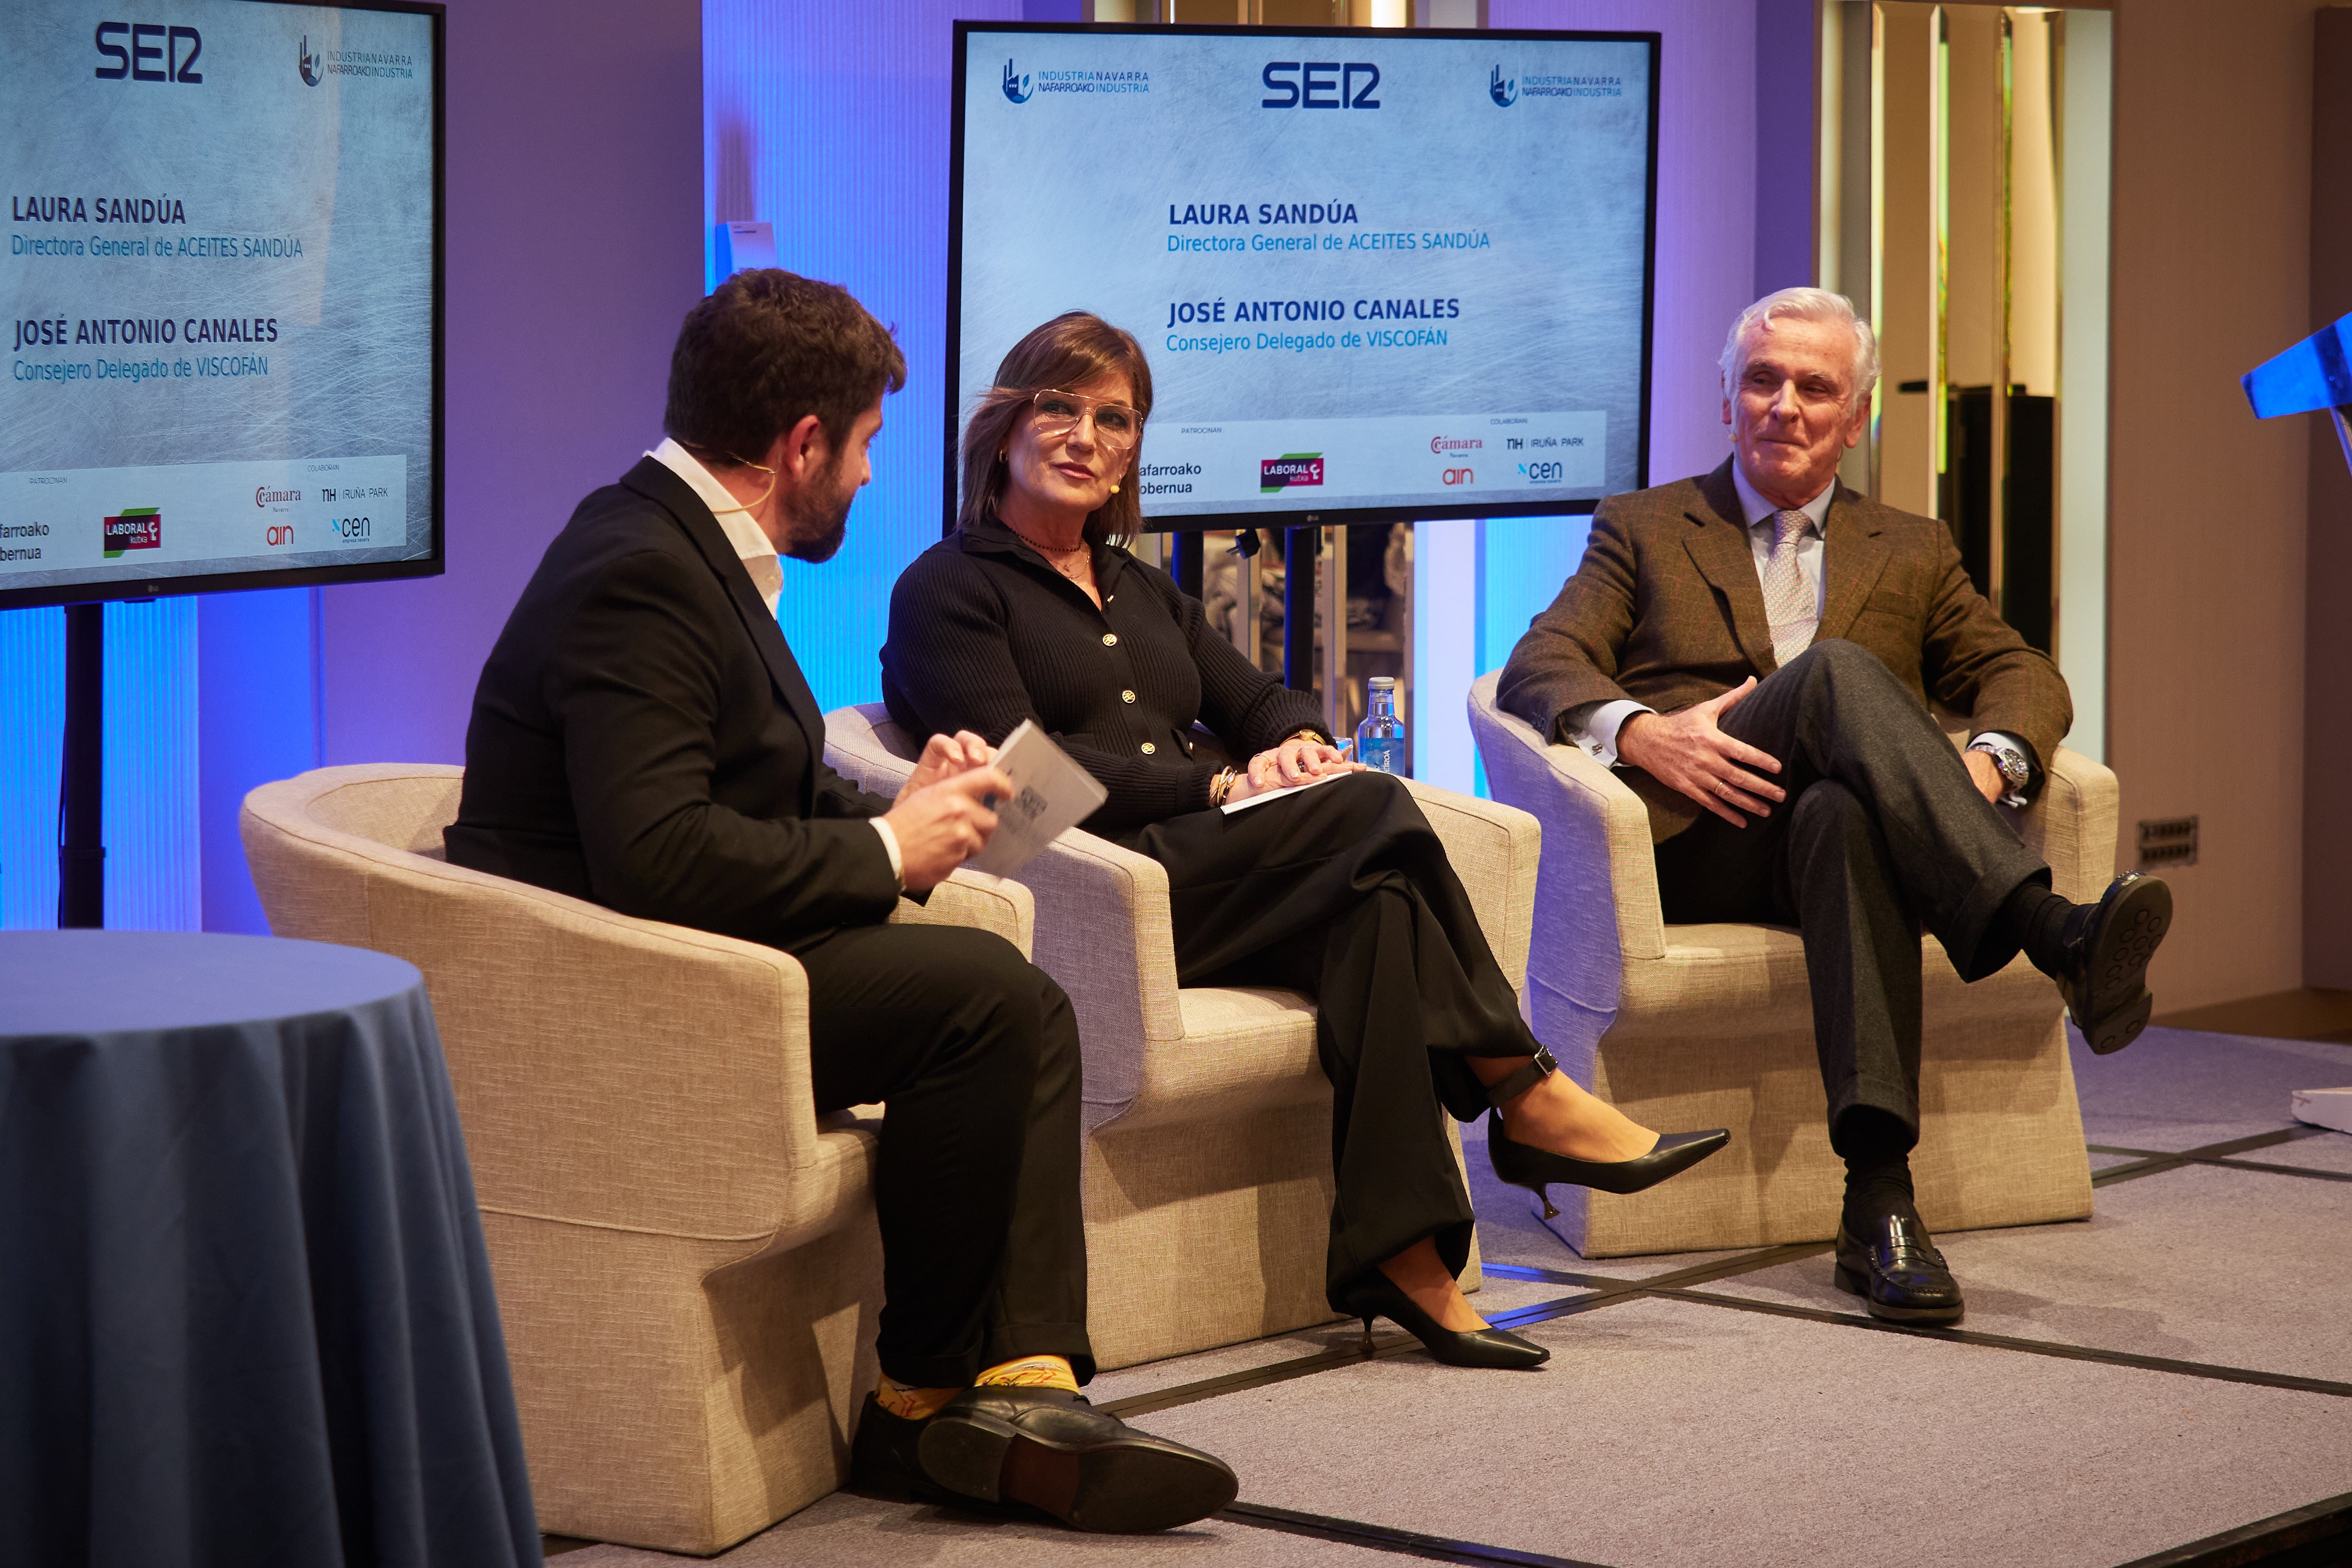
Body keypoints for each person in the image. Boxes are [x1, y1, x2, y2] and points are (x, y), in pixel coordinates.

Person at [443, 270, 1237, 1534]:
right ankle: (928, 1407)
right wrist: (885, 855)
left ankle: (1005, 1385)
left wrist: (889, 815)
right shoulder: (637, 567)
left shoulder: (681, 543)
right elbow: (657, 852)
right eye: (865, 442)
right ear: (801, 442)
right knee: (982, 1001)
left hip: (694, 953)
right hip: (616, 989)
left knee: (1015, 1001)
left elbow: (742, 781)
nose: (869, 476)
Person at [880, 312, 1728, 1370]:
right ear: (1004, 424)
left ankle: (1405, 1258)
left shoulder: (1140, 584)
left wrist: (1299, 747)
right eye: (1058, 406)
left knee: (1374, 907)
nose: (1084, 435)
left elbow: (1264, 699)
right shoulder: (946, 589)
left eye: (1114, 417)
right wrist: (1223, 780)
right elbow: (1024, 786)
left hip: (1223, 875)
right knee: (1369, 810)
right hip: (1095, 892)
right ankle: (1521, 1087)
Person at [1496, 286, 2173, 1325]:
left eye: (1814, 388)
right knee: (1834, 674)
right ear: (1724, 401)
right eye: (1761, 381)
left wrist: (1988, 764)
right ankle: (2049, 929)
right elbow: (1540, 661)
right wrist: (1643, 733)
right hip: (1698, 843)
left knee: (1843, 820)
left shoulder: (1912, 545)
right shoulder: (1644, 526)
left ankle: (1879, 1205)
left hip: (1832, 849)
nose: (1784, 405)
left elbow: (2021, 674)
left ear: (1853, 419)